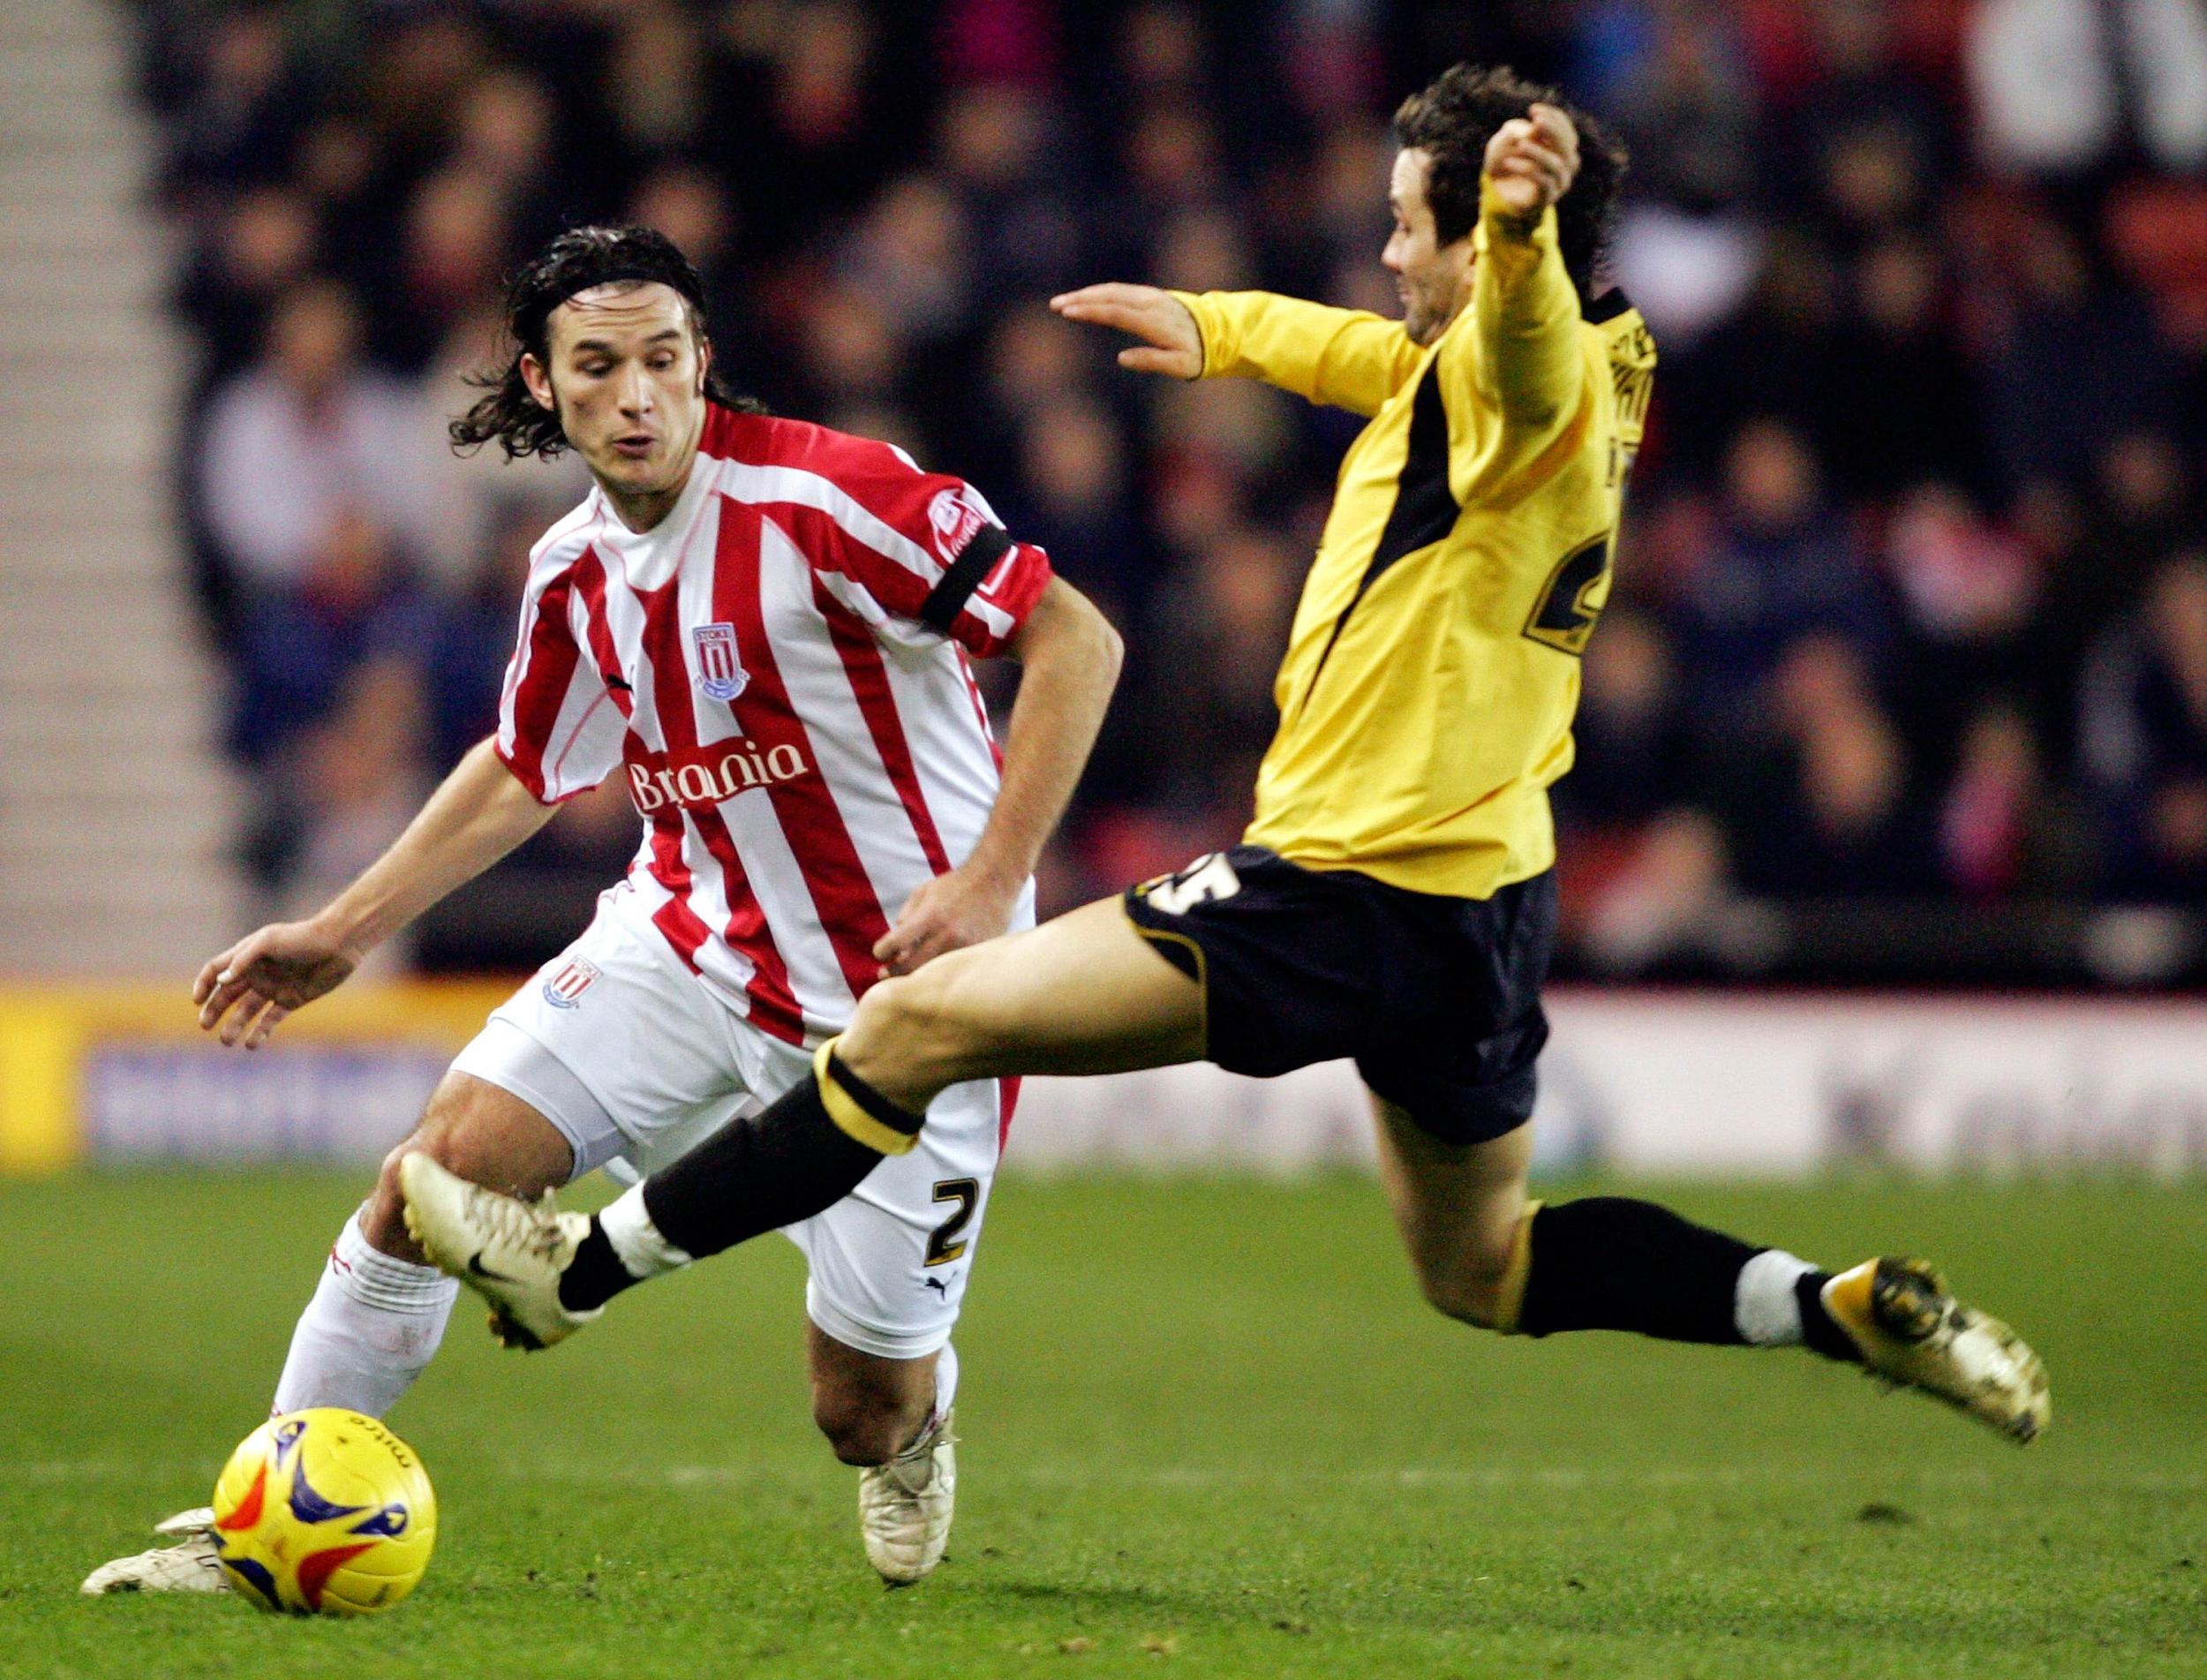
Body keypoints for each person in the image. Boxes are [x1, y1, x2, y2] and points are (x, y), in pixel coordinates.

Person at [406, 67, 2048, 1481]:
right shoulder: (1563, 367)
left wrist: (1524, 234)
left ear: (1491, 247)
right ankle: (1821, 1304)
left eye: (1417, 226)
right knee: (1485, 1265)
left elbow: (1514, 350)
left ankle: (581, 1274)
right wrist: (1225, 329)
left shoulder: (1523, 373)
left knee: (907, 1024)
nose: (1391, 250)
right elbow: (1385, 355)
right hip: (1486, 899)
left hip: (1336, 885)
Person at [84, 225, 1122, 1594]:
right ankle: (260, 1523)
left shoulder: (835, 499)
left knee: (854, 1407)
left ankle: (914, 1426)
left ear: (704, 366)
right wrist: (342, 931)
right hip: (683, 941)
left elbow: (1077, 639)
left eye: (661, 361)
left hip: (906, 1003)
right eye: (598, 366)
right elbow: (524, 764)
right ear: (545, 383)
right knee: (430, 1181)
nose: (635, 396)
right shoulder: (573, 566)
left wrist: (991, 880)